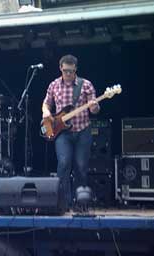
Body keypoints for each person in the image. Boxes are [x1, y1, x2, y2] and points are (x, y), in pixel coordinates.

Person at [41, 54, 99, 208]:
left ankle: (81, 201)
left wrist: (94, 106)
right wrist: (46, 113)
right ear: (60, 68)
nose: (68, 74)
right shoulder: (54, 85)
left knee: (81, 166)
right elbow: (46, 104)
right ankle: (64, 202)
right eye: (65, 71)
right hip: (62, 133)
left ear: (76, 69)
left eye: (71, 71)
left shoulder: (85, 85)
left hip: (82, 130)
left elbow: (94, 110)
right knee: (64, 164)